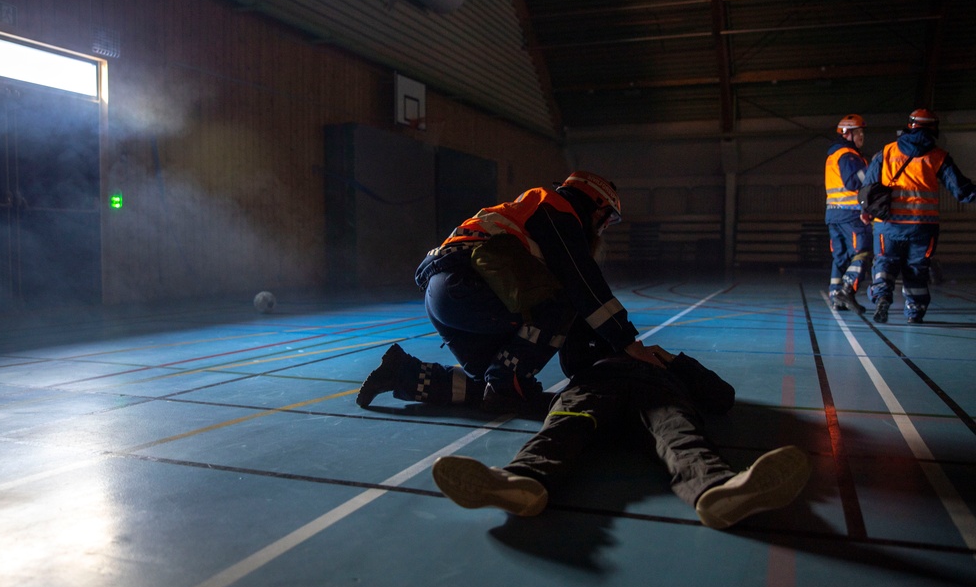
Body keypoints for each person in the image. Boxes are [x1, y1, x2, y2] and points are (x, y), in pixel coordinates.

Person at [430, 320, 812, 529]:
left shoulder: (664, 365)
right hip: (595, 393)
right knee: (561, 429)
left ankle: (719, 491)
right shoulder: (588, 368)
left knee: (680, 437)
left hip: (656, 397)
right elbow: (572, 356)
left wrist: (674, 361)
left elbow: (721, 397)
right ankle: (520, 483)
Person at [357, 171, 668, 413]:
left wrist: (595, 361)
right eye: (605, 221)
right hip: (470, 289)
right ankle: (509, 383)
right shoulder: (558, 209)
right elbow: (582, 283)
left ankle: (402, 374)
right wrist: (627, 343)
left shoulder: (527, 211)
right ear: (594, 206)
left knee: (488, 386)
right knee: (563, 299)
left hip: (445, 295)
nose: (603, 230)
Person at [861, 109, 976, 323]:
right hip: (924, 226)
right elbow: (962, 190)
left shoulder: (886, 152)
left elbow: (868, 186)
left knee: (884, 262)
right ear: (934, 128)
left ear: (910, 126)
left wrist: (865, 212)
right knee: (917, 269)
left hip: (889, 225)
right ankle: (915, 311)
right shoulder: (938, 156)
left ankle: (882, 297)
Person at [825, 114, 871, 313]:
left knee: (840, 257)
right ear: (848, 134)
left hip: (833, 214)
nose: (862, 136)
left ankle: (836, 297)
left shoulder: (833, 155)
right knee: (862, 251)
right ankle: (847, 288)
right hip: (850, 215)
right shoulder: (848, 155)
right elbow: (852, 182)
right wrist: (872, 169)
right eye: (859, 132)